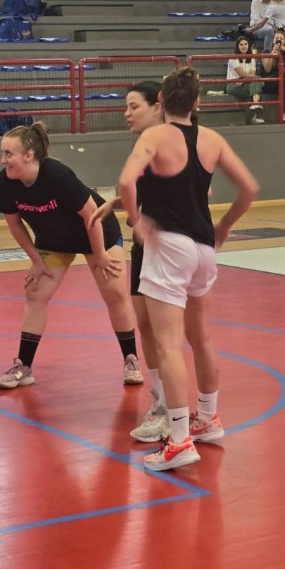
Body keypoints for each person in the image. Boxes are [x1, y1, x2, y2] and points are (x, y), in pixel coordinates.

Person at [117, 66, 258, 470]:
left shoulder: (155, 136)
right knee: (202, 337)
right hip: (203, 247)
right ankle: (208, 418)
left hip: (169, 246)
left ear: (161, 101)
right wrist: (225, 225)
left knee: (168, 344)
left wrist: (137, 220)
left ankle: (179, 441)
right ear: (197, 102)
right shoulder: (211, 139)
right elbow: (249, 188)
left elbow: (126, 182)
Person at [0, 122, 143, 389]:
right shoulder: (5, 182)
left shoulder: (57, 176)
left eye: (8, 154)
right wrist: (36, 261)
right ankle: (24, 366)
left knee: (115, 293)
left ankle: (131, 359)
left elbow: (92, 214)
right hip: (54, 241)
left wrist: (100, 255)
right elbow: (15, 225)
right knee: (35, 293)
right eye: (2, 153)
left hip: (97, 232)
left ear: (28, 155)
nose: (3, 160)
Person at [91, 81, 174, 443]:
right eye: (125, 106)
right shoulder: (143, 146)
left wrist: (148, 219)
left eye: (133, 106)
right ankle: (161, 400)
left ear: (157, 107)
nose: (126, 113)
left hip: (167, 246)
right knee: (145, 324)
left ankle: (176, 411)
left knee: (170, 332)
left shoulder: (173, 143)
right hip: (144, 246)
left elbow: (198, 192)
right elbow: (139, 192)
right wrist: (115, 204)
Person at [225, 35, 265, 125]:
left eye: (245, 44)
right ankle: (256, 113)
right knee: (257, 84)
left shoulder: (252, 58)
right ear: (237, 46)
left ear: (248, 45)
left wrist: (245, 79)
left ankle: (255, 104)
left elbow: (252, 74)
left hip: (246, 83)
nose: (244, 46)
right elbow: (242, 73)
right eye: (241, 44)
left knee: (255, 84)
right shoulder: (233, 58)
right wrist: (252, 77)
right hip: (233, 84)